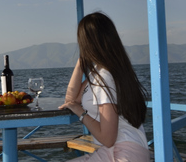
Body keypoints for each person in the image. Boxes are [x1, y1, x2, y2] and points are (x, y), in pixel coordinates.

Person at [59, 12, 149, 162]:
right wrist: (82, 60)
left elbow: (108, 138)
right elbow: (71, 99)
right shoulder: (102, 71)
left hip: (124, 153)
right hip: (115, 150)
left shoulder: (105, 77)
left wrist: (81, 113)